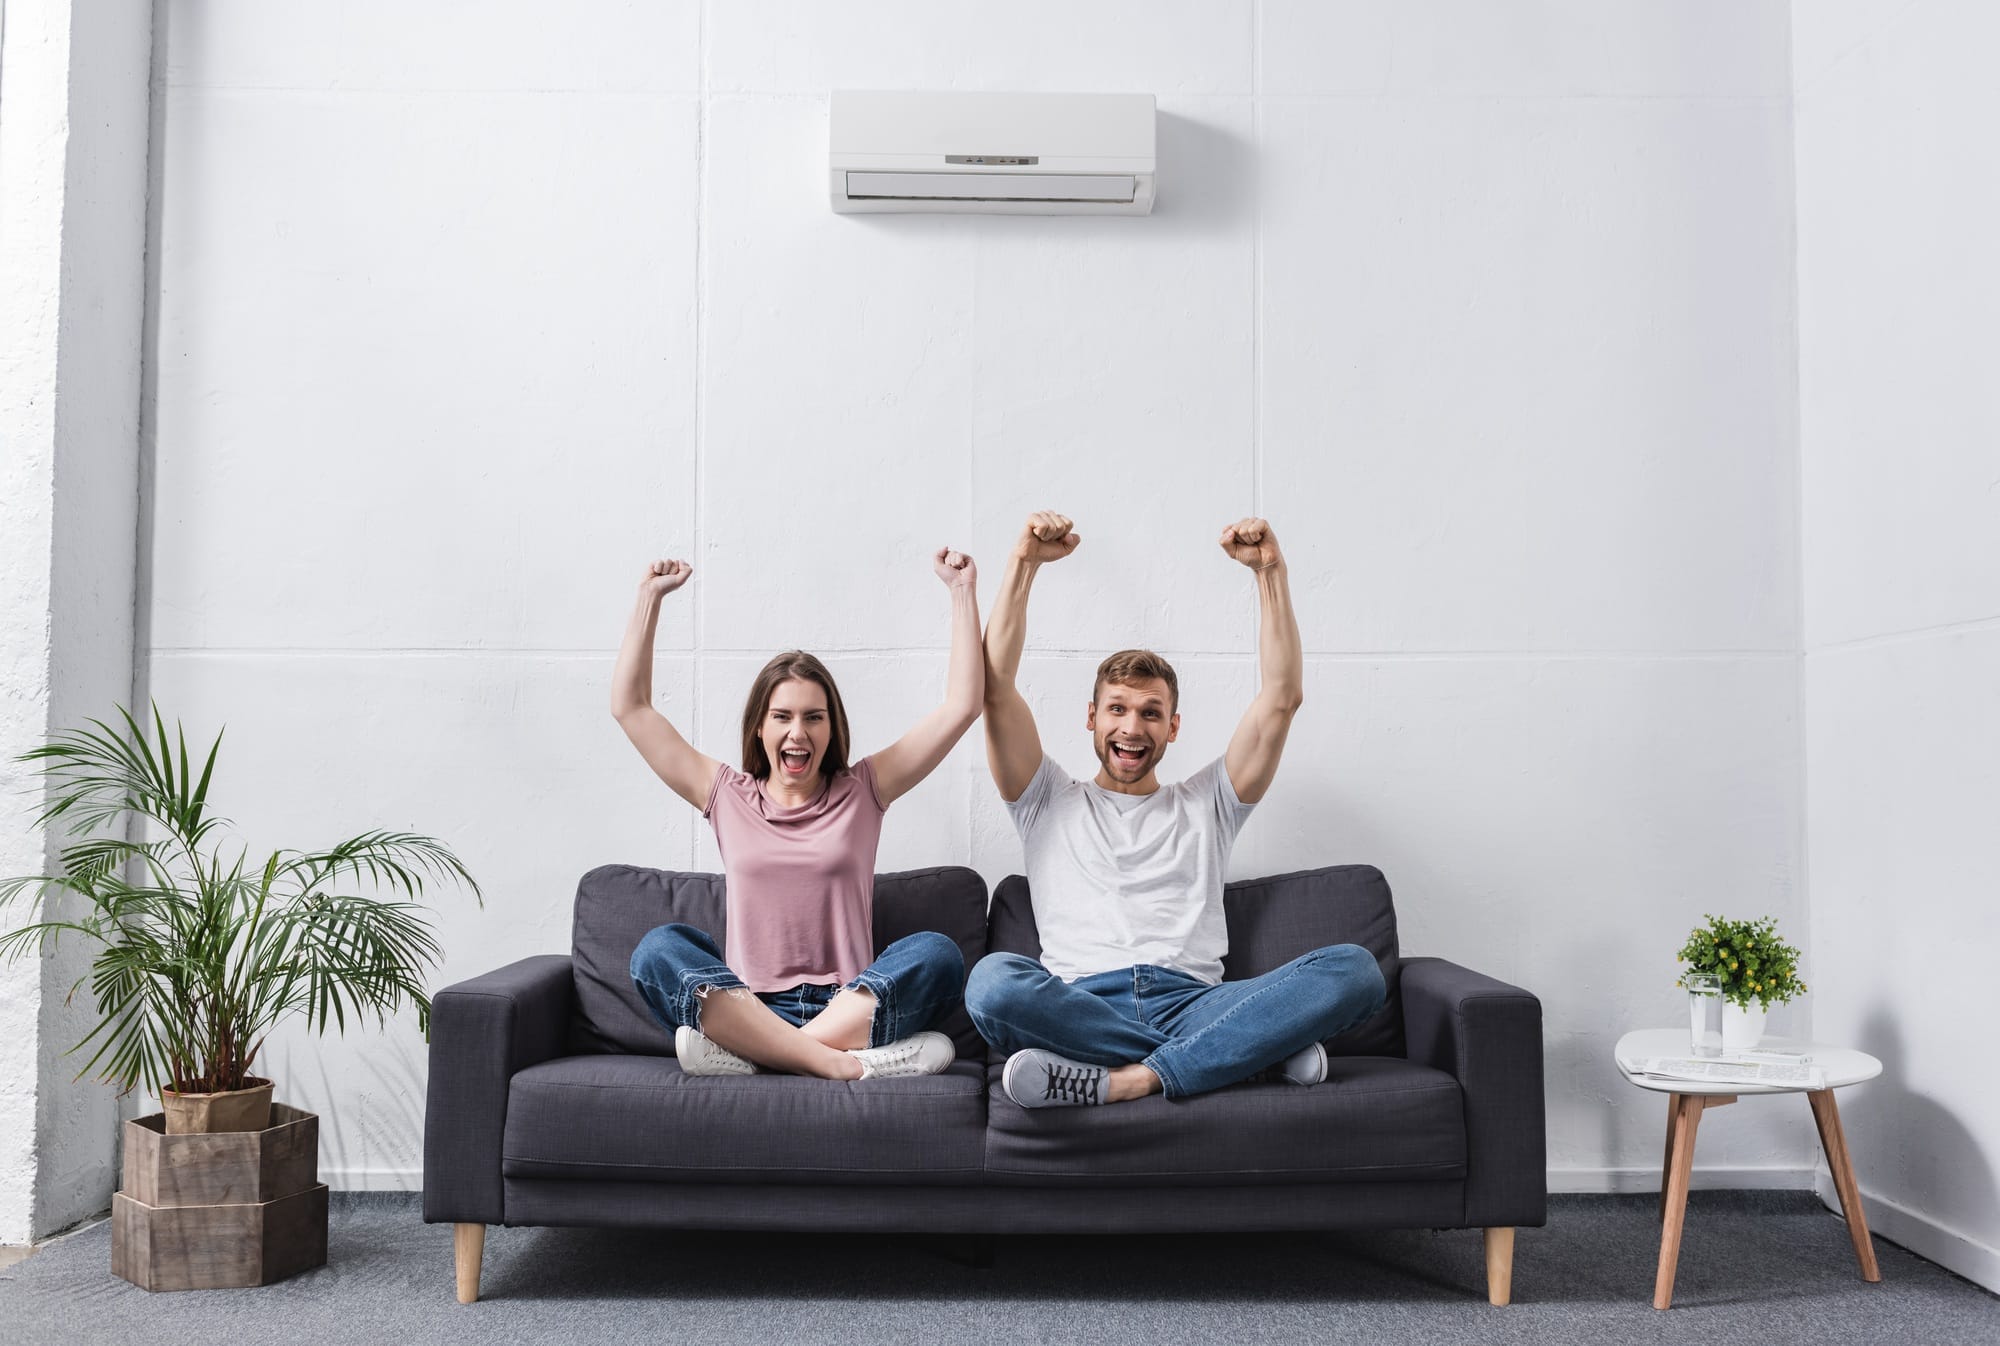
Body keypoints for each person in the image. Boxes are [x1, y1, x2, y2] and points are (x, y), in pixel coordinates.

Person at [964, 511, 1387, 1107]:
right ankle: (1237, 1057)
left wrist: (1270, 573)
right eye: (1116, 709)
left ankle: (1129, 1079)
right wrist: (1023, 564)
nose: (1131, 728)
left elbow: (1281, 699)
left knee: (1355, 970)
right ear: (1092, 718)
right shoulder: (1045, 798)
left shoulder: (1208, 803)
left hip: (1195, 1001)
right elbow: (994, 686)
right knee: (992, 984)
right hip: (1081, 1002)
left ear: (1173, 727)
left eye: (1150, 713)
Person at [615, 548, 982, 1081]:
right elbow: (632, 708)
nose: (798, 732)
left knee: (938, 954)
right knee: (657, 950)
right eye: (782, 716)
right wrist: (649, 598)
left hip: (849, 1007)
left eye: (814, 717)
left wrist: (962, 591)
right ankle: (842, 1066)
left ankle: (762, 1057)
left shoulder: (863, 790)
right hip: (748, 1006)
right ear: (759, 728)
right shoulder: (726, 794)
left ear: (832, 728)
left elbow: (963, 705)